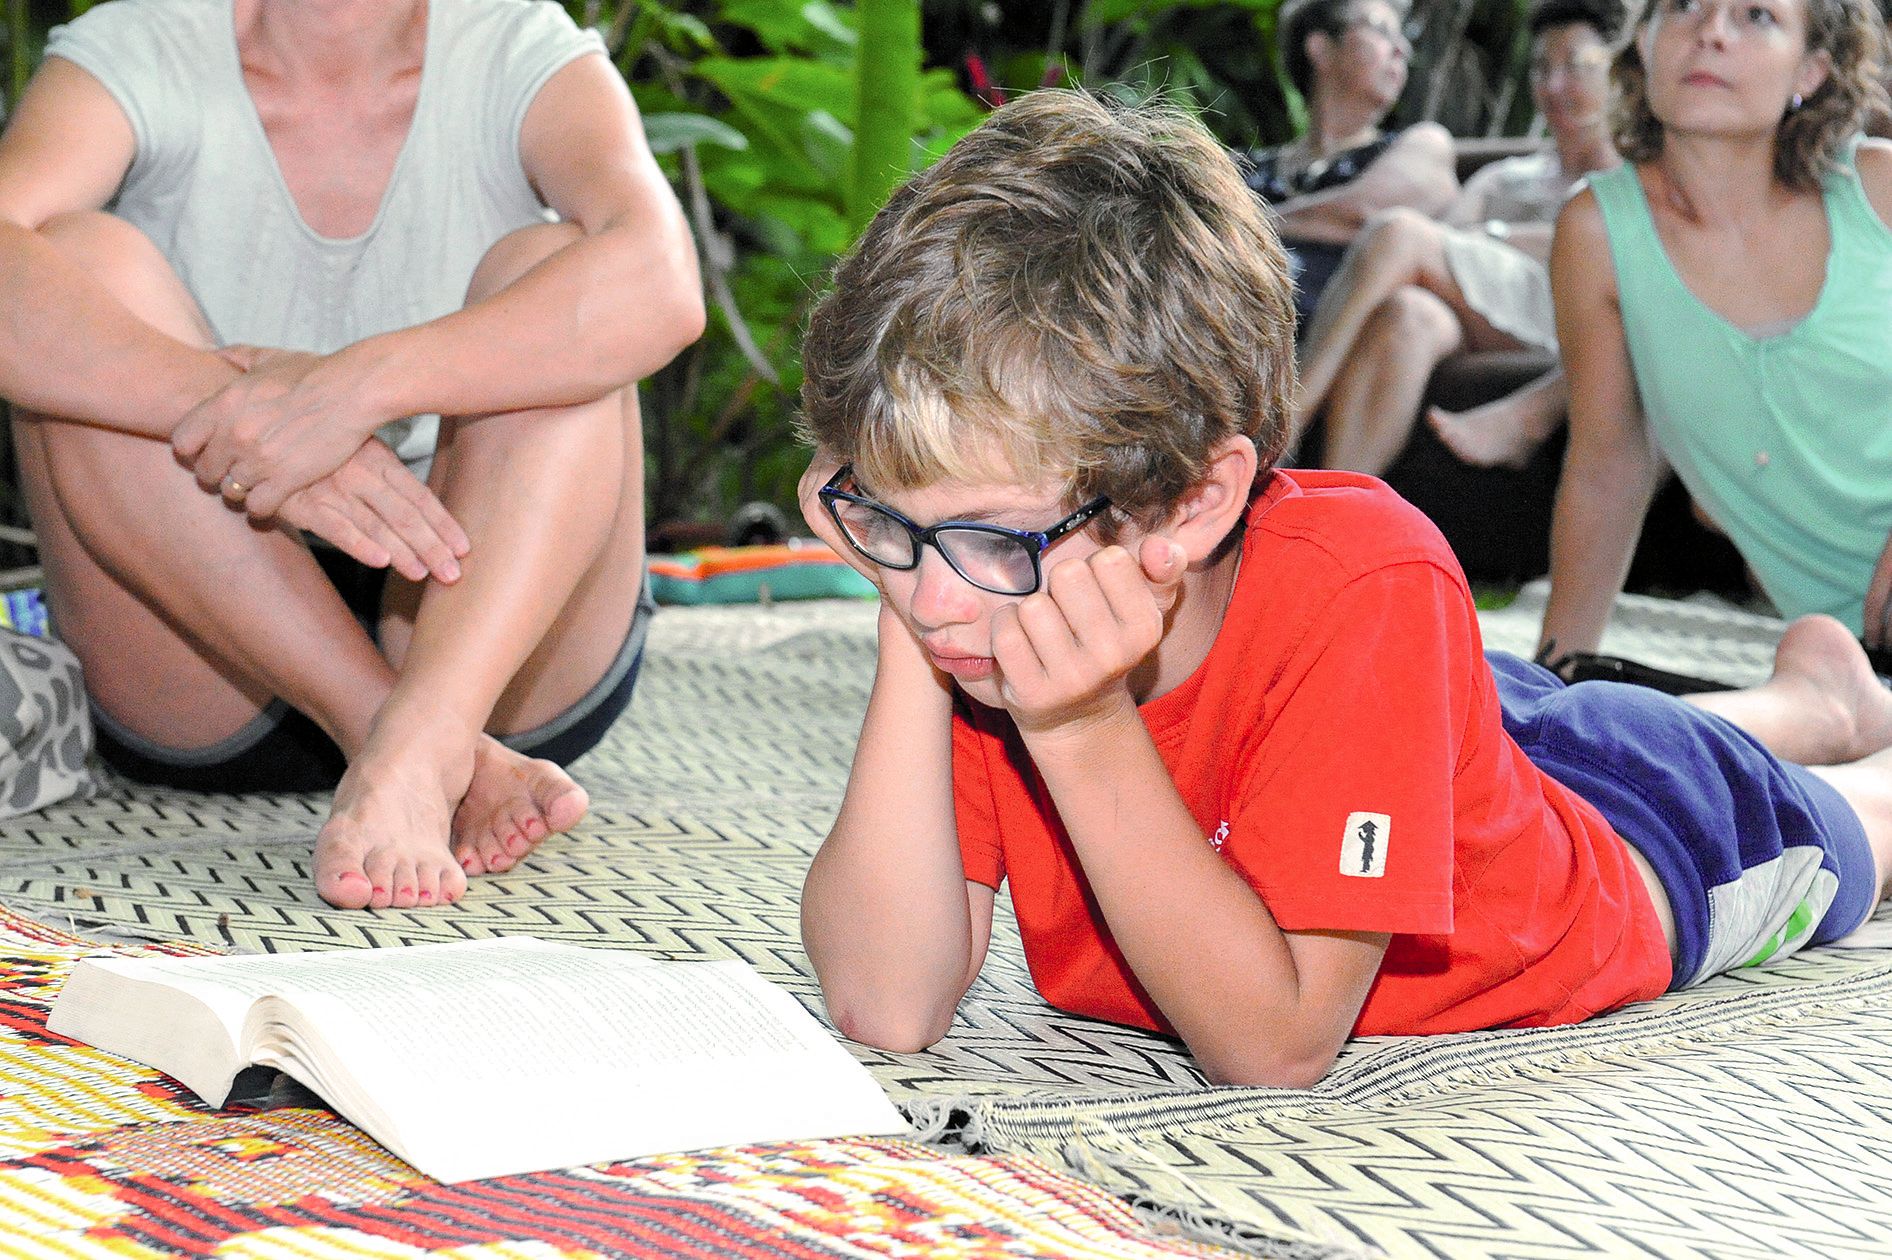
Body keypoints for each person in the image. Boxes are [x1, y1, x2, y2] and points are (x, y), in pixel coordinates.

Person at [794, 90, 1889, 1087]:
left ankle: (1828, 725)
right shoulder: (983, 588)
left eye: (983, 537)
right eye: (889, 518)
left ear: (1192, 503)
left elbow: (1273, 1044)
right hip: (1440, 735)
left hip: (1633, 831)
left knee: (1827, 814)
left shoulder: (1359, 583)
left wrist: (1077, 725)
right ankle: (1815, 700)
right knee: (1528, 727)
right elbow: (886, 1002)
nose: (936, 600)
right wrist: (909, 607)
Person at [0, 0, 703, 909]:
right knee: (75, 261)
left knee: (563, 267)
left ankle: (431, 727)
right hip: (206, 648)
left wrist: (355, 390)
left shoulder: (517, 44)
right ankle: (409, 742)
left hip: (491, 635)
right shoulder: (142, 43)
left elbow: (662, 282)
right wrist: (247, 419)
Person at [1541, 0, 1892, 659]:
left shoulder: (1879, 187)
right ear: (1643, 44)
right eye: (1682, 7)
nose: (1710, 32)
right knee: (1812, 695)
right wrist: (1556, 678)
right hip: (1851, 657)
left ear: (1811, 71)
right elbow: (1607, 465)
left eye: (1756, 15)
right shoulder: (1597, 233)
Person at [1290, 0, 1620, 475]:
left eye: (1577, 66)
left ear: (1620, 72)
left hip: (1569, 316)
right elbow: (1444, 242)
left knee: (1397, 232)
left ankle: (1287, 421)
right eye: (1541, 68)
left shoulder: (1634, 177)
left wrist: (1492, 235)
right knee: (1408, 316)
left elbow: (1430, 243)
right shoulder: (1504, 177)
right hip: (1481, 318)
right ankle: (1334, 512)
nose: (1553, 86)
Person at [1244, 0, 1458, 325]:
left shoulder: (1420, 145)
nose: (1402, 50)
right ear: (1321, 49)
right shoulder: (1243, 169)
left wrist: (1238, 227)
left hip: (1331, 343)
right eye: (1382, 30)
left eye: (1403, 38)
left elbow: (1366, 216)